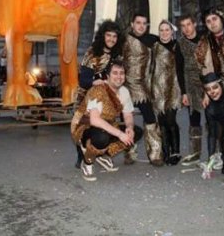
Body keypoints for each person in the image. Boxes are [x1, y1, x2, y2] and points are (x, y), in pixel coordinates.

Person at [70, 60, 143, 181]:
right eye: (115, 73)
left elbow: (128, 115)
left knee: (137, 132)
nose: (119, 76)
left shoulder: (124, 91)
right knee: (101, 138)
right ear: (108, 76)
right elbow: (94, 120)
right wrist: (120, 134)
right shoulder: (99, 90)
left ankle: (102, 155)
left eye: (122, 73)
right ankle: (87, 162)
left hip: (107, 124)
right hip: (83, 126)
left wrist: (129, 128)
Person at [74, 20, 128, 168]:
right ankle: (82, 155)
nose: (111, 39)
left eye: (114, 36)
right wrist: (94, 82)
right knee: (85, 127)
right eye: (108, 35)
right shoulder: (93, 52)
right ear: (102, 36)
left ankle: (101, 153)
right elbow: (83, 79)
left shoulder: (117, 55)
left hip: (106, 98)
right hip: (86, 97)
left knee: (105, 127)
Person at [123, 13, 162, 166]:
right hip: (126, 85)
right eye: (138, 22)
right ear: (132, 24)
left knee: (150, 117)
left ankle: (155, 153)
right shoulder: (124, 40)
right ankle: (129, 152)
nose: (141, 26)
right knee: (125, 119)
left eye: (144, 23)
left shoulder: (152, 39)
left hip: (144, 85)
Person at [175, 14, 205, 165]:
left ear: (194, 24)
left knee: (213, 117)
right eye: (183, 26)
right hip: (189, 83)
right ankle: (195, 153)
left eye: (188, 24)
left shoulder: (205, 39)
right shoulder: (180, 44)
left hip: (207, 80)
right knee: (194, 118)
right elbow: (179, 69)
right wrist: (184, 92)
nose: (186, 28)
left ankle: (217, 153)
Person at [151, 20, 182, 165]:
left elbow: (182, 69)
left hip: (173, 88)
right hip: (158, 88)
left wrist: (185, 91)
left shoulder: (177, 46)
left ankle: (175, 151)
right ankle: (166, 151)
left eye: (167, 30)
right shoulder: (155, 47)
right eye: (161, 30)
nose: (164, 32)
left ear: (172, 31)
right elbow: (150, 68)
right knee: (162, 121)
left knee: (170, 120)